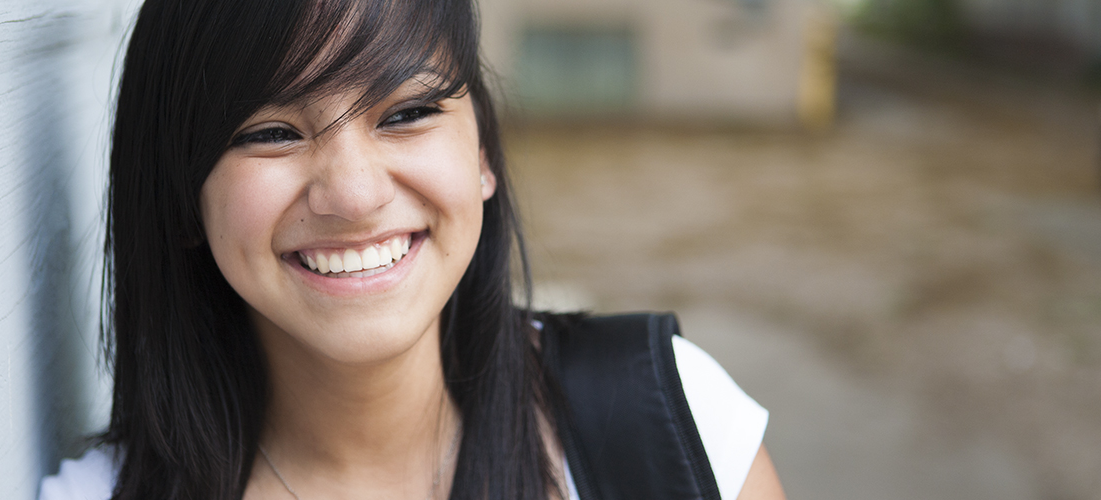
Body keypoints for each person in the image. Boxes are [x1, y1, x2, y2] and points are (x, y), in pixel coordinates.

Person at [39, 0, 785, 499]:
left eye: (407, 113)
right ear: (180, 197)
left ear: (484, 154)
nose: (355, 194)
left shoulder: (669, 420)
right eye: (271, 132)